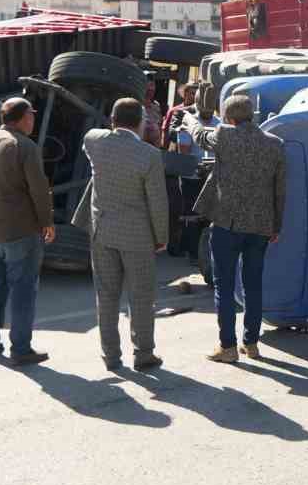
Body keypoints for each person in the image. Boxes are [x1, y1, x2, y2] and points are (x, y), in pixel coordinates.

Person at [182, 93, 285, 363]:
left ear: (228, 117)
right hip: (261, 226)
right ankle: (251, 344)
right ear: (251, 116)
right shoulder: (274, 144)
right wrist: (276, 225)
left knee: (224, 286)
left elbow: (200, 137)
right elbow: (280, 191)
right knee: (254, 285)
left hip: (227, 224)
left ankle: (227, 346)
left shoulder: (224, 135)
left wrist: (189, 119)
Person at [74, 97, 170, 373]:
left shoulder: (95, 143)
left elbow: (91, 133)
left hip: (102, 232)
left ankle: (111, 357)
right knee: (140, 298)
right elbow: (157, 202)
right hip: (137, 237)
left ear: (113, 121)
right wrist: (161, 237)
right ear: (140, 122)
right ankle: (143, 354)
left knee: (106, 297)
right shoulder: (149, 156)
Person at [0, 97, 55, 365]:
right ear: (22, 118)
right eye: (31, 115)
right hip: (21, 229)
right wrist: (47, 222)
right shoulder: (25, 146)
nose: (33, 120)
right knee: (22, 290)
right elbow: (39, 190)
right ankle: (20, 349)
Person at [173, 99, 219, 259]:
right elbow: (184, 152)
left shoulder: (219, 123)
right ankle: (192, 252)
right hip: (192, 177)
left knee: (208, 216)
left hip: (212, 177)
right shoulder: (187, 124)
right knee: (192, 216)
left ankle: (205, 253)